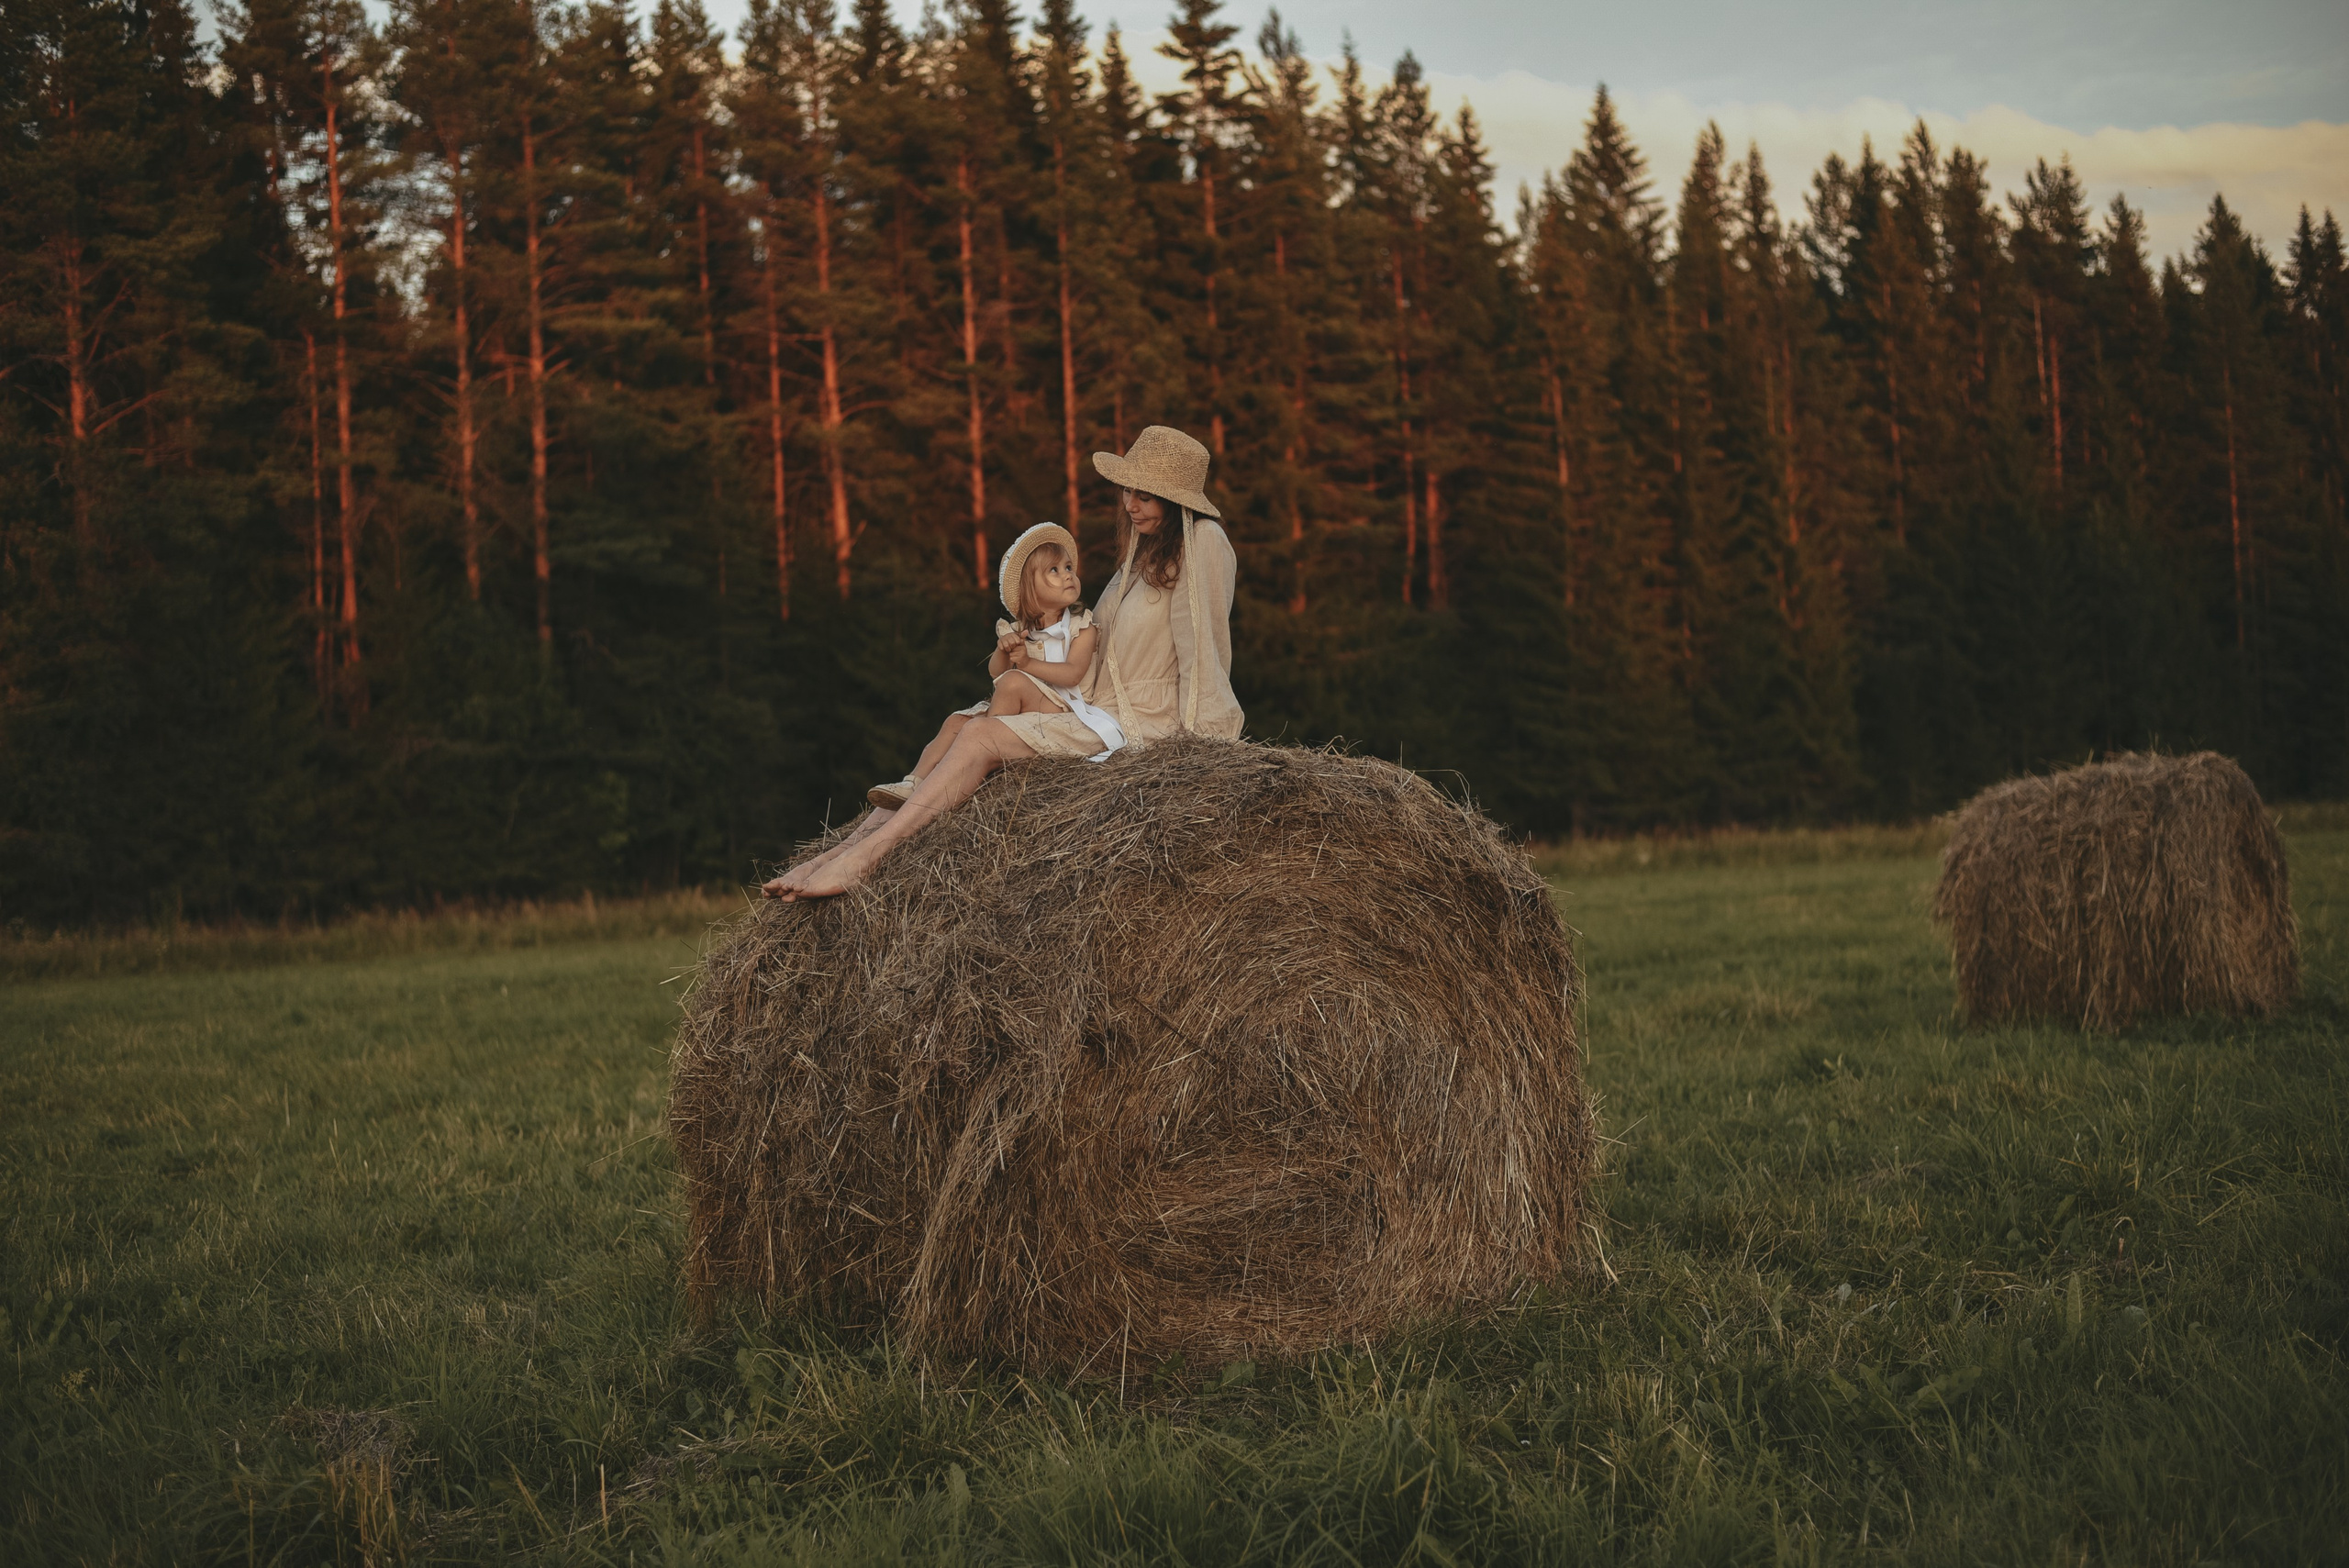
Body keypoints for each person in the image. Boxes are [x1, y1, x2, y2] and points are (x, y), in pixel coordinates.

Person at [766, 424, 1240, 900]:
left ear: (1176, 500)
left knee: (982, 735)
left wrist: (1205, 758)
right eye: (1127, 492)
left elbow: (1206, 649)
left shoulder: (1204, 542)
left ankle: (865, 861)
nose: (1129, 505)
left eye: (1145, 496)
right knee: (960, 722)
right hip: (1093, 703)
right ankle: (837, 853)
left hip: (1141, 722)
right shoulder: (1141, 556)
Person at [862, 523, 1125, 813]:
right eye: (1054, 570)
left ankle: (983, 760)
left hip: (1064, 708)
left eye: (1069, 567)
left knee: (1013, 682)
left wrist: (1026, 663)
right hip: (1023, 705)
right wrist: (1004, 650)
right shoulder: (1019, 630)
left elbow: (1073, 674)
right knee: (956, 722)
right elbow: (994, 672)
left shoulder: (1082, 627)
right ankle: (915, 781)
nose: (1068, 575)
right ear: (1030, 587)